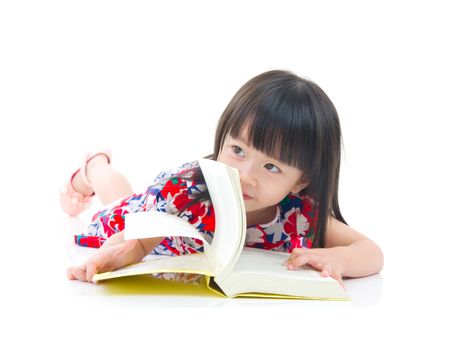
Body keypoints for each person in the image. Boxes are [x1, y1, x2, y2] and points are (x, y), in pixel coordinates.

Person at [64, 70, 384, 286]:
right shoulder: (187, 192)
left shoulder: (300, 215)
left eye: (271, 167)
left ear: (301, 181)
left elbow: (371, 252)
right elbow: (138, 238)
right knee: (120, 199)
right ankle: (94, 166)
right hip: (139, 217)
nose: (244, 176)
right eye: (238, 150)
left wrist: (338, 259)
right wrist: (116, 254)